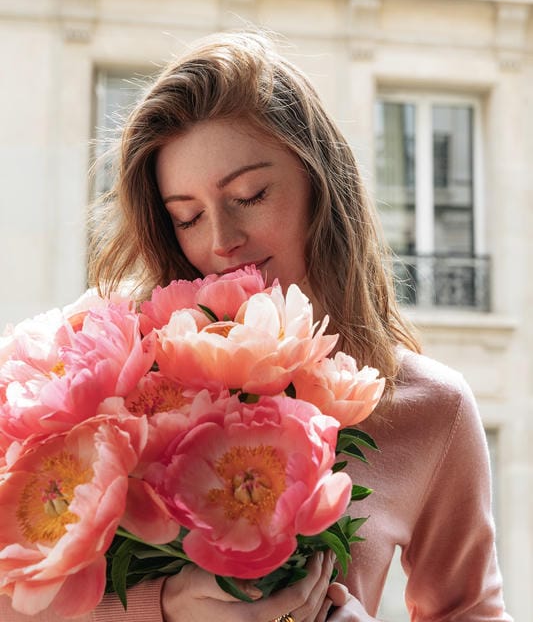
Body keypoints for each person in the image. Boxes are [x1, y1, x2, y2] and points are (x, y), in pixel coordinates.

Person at [1, 31, 512, 622]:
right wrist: (158, 606)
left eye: (250, 194)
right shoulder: (115, 369)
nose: (221, 241)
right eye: (186, 217)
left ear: (321, 183)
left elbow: (471, 612)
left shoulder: (431, 409)